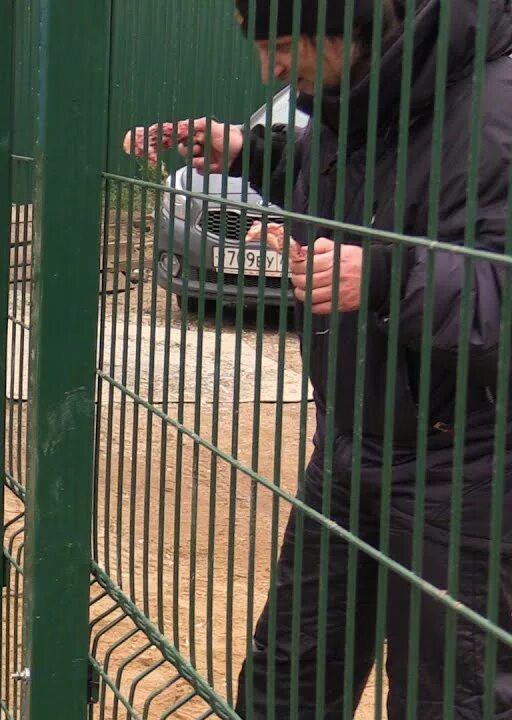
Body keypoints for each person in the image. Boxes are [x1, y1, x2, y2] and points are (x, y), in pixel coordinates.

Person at [125, 0, 512, 717]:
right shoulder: (365, 94)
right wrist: (247, 152)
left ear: (349, 27)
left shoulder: (495, 113)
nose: (267, 68)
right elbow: (351, 175)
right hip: (347, 442)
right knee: (291, 672)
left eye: (281, 46)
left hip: (466, 465)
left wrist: (387, 276)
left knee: (449, 695)